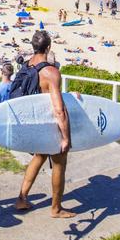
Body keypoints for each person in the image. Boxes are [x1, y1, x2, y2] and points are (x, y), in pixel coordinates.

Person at [15, 30, 75, 218]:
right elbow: (59, 109)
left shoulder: (26, 65)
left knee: (39, 156)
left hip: (34, 122)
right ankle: (56, 209)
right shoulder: (50, 72)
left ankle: (21, 199)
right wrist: (65, 137)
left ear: (33, 47)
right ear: (48, 47)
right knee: (59, 163)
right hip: (49, 124)